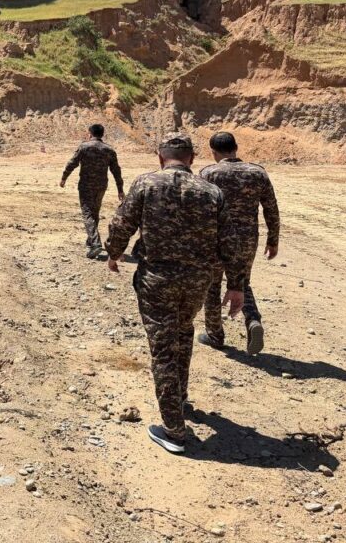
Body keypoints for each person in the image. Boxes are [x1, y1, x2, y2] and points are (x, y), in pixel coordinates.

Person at [105, 132, 233, 454]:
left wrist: (114, 253)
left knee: (163, 347)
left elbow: (122, 223)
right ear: (192, 158)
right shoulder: (211, 191)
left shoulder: (146, 183)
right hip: (197, 281)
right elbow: (228, 242)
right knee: (183, 332)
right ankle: (180, 398)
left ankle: (174, 431)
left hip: (157, 279)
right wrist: (236, 284)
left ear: (161, 158)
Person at [198, 131, 280, 356]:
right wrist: (273, 240)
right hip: (246, 239)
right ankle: (252, 320)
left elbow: (199, 208)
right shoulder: (257, 172)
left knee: (212, 286)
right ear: (236, 148)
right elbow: (271, 208)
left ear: (213, 152)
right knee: (242, 283)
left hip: (215, 239)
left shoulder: (208, 173)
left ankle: (215, 335)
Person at [59, 124, 124, 260]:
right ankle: (91, 241)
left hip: (86, 186)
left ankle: (95, 243)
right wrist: (120, 189)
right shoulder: (109, 150)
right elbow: (116, 170)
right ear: (102, 134)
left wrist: (64, 177)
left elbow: (72, 163)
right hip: (101, 186)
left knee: (87, 214)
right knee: (94, 213)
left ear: (90, 133)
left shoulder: (84, 147)